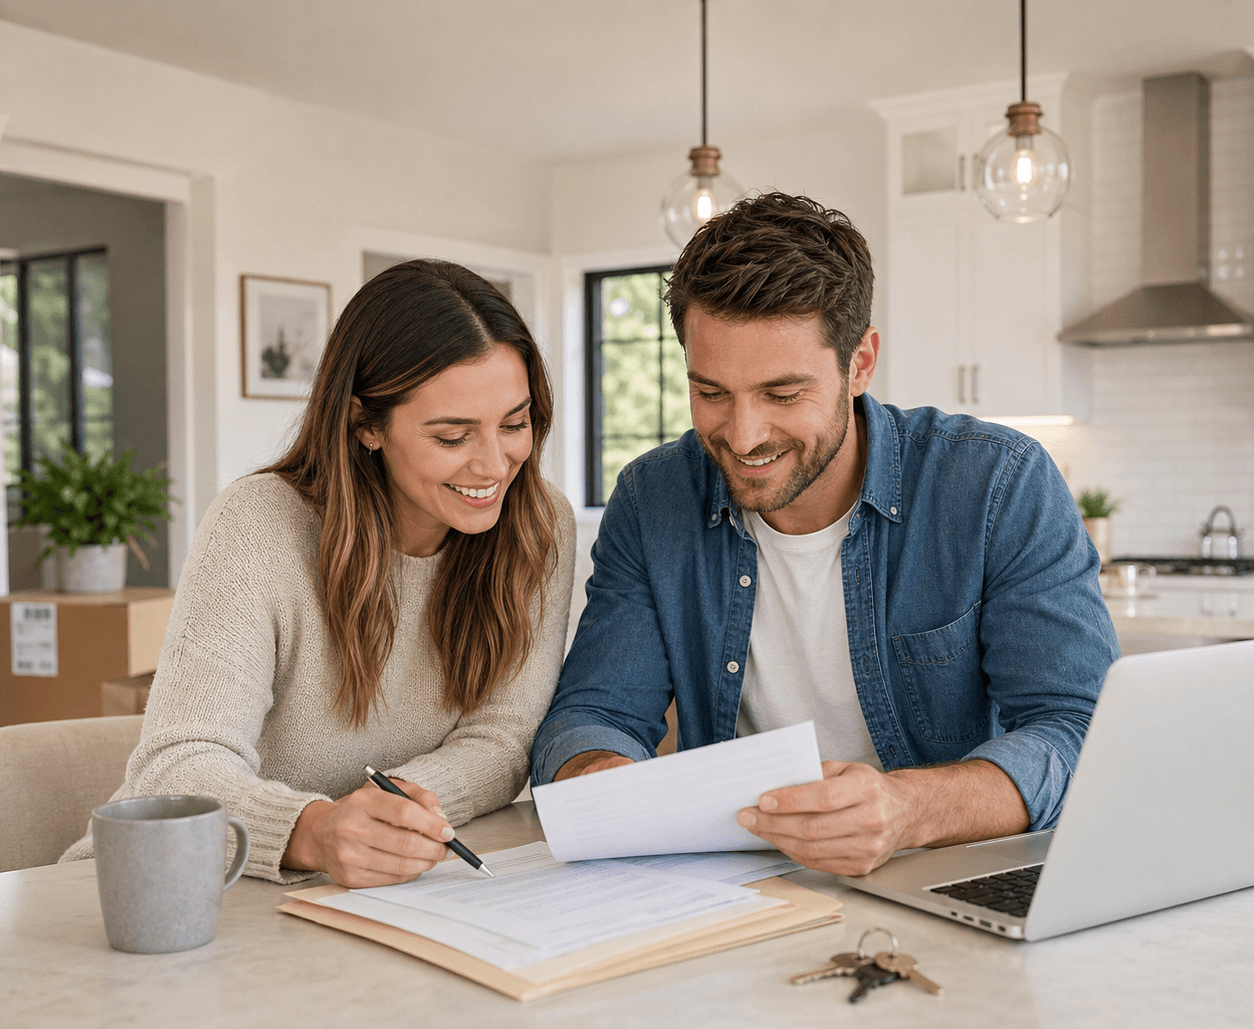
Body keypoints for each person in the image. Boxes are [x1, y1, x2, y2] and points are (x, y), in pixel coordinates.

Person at [532, 192, 1119, 877]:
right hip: (733, 880)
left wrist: (908, 809)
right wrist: (597, 774)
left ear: (860, 363)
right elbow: (594, 711)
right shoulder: (652, 498)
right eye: (711, 393)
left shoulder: (996, 484)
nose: (742, 436)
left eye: (783, 394)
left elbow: (1081, 732)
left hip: (942, 867)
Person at [64, 259, 575, 887]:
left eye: (516, 424)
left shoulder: (538, 524)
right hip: (173, 884)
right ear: (366, 424)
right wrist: (316, 831)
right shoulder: (257, 524)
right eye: (452, 437)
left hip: (368, 890)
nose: (496, 465)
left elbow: (503, 738)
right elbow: (177, 767)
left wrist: (388, 818)